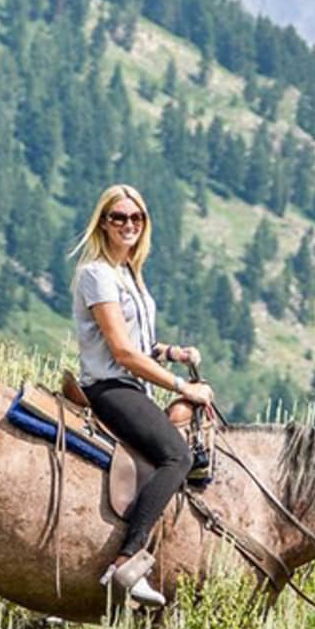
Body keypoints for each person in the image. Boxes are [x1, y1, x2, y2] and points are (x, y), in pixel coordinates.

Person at [71, 183, 214, 606]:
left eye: (136, 218)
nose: (128, 225)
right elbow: (122, 352)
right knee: (178, 456)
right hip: (110, 387)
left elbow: (139, 343)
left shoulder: (129, 273)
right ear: (103, 223)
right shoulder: (96, 274)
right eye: (119, 217)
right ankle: (126, 561)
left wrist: (172, 352)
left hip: (131, 383)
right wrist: (183, 386)